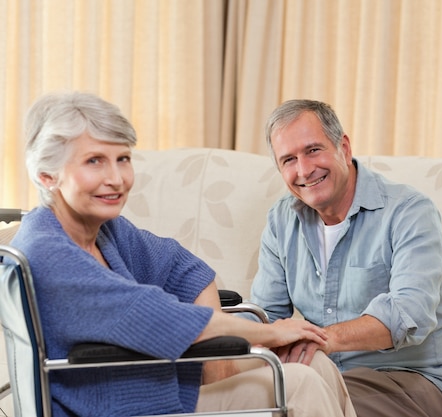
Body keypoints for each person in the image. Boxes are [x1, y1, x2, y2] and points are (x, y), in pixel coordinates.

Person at [11, 91, 356, 417]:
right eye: (95, 161)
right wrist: (271, 332)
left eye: (123, 159)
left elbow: (184, 268)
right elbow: (154, 315)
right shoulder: (48, 252)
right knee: (299, 382)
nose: (116, 179)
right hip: (122, 405)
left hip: (163, 383)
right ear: (48, 176)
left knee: (312, 360)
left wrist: (217, 365)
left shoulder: (105, 230)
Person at [249, 99, 442, 417]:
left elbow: (411, 313)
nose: (304, 170)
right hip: (324, 375)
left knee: (296, 410)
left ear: (343, 146)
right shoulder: (281, 219)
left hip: (409, 380)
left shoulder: (409, 211)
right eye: (289, 159)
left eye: (313, 150)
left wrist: (324, 339)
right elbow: (266, 315)